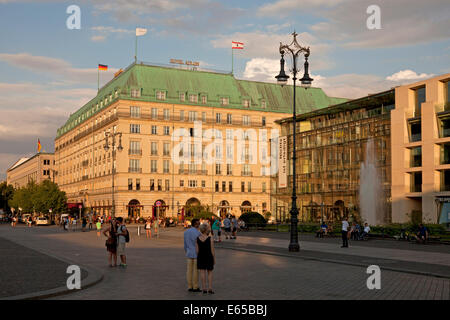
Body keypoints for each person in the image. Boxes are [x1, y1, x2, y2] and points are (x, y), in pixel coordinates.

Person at [196, 223, 215, 294]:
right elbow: (212, 250)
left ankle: (204, 288)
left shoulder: (197, 239)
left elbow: (197, 251)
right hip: (209, 256)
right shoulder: (210, 239)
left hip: (200, 256)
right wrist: (214, 259)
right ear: (207, 230)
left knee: (202, 272)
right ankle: (210, 288)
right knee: (210, 273)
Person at [184, 218, 201, 293]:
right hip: (196, 254)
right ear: (196, 224)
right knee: (195, 271)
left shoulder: (186, 232)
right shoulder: (198, 233)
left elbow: (185, 244)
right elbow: (199, 245)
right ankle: (195, 286)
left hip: (189, 252)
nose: (199, 224)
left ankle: (189, 286)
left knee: (189, 271)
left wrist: (186, 251)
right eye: (198, 223)